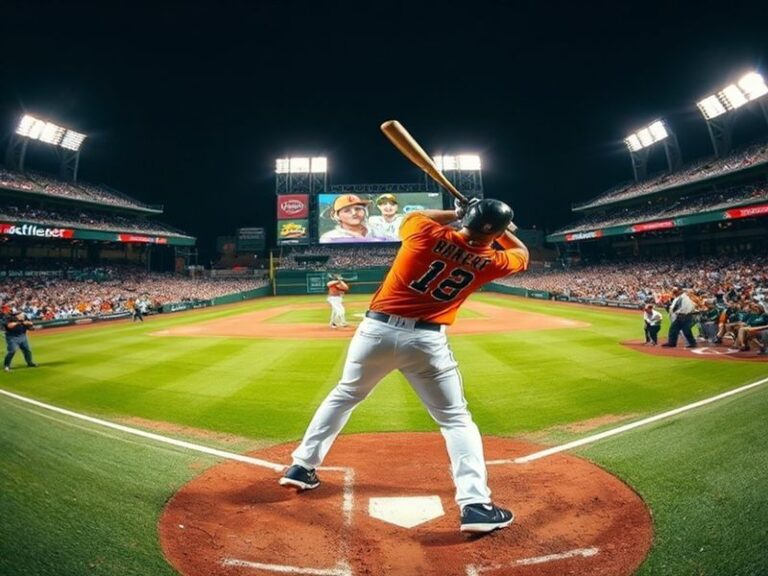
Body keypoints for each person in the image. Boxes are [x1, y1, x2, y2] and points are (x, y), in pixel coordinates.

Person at [280, 198, 530, 534]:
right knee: (455, 420)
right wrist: (502, 230)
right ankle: (475, 505)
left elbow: (415, 214)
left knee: (344, 396)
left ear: (465, 219)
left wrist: (458, 213)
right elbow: (523, 254)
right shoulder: (494, 261)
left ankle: (301, 467)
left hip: (375, 332)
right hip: (426, 342)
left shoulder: (424, 233)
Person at [319, 195, 388, 243]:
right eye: (347, 210)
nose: (354, 213)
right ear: (336, 215)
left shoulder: (379, 230)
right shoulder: (329, 238)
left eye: (358, 209)